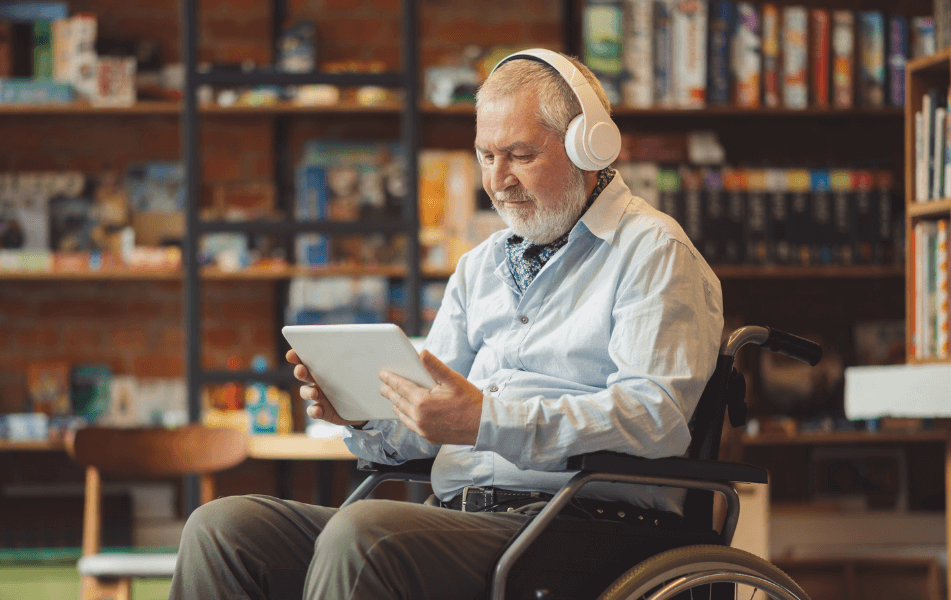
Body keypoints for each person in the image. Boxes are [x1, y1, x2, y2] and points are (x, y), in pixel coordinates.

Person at [169, 49, 723, 600]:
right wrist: (364, 414)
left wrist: (489, 420)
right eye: (485, 156)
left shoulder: (653, 251)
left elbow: (657, 419)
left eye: (520, 155)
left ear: (590, 146)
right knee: (224, 529)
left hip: (584, 527)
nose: (498, 180)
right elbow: (432, 425)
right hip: (459, 520)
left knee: (364, 534)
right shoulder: (480, 266)